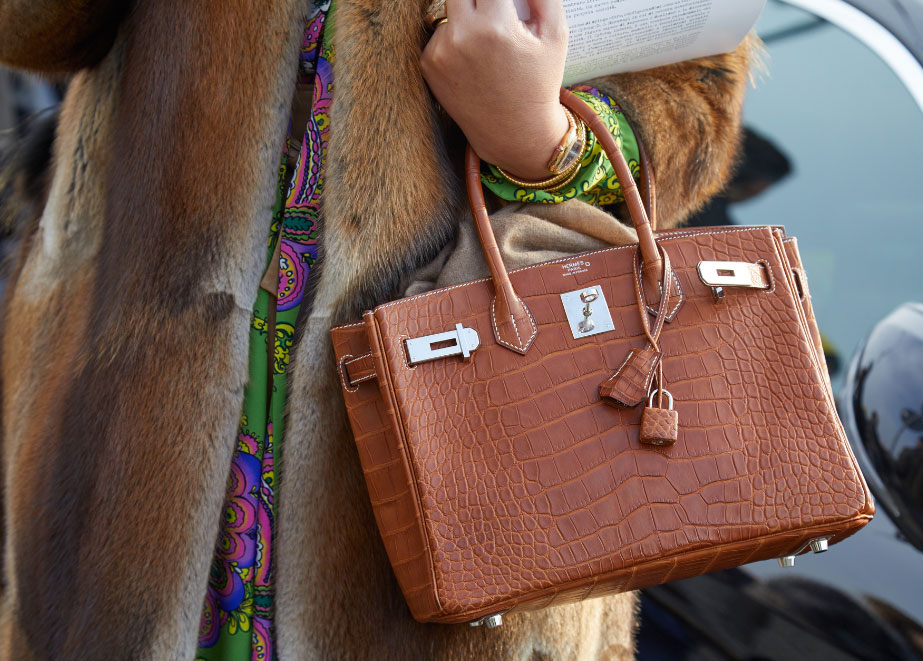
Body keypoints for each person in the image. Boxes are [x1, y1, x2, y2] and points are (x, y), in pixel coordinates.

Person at [0, 0, 753, 658]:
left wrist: (537, 136)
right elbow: (29, 29)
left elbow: (695, 109)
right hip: (127, 454)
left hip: (457, 454)